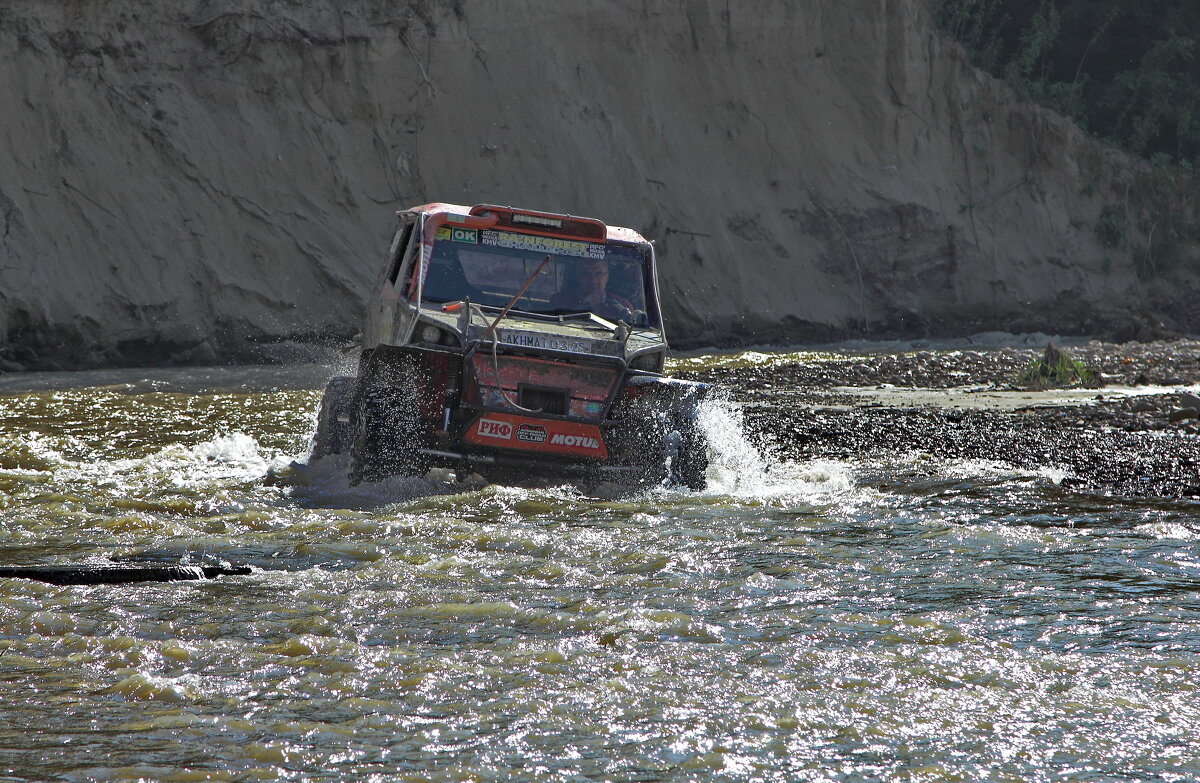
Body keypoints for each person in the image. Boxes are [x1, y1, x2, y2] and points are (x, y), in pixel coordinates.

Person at [549, 258, 634, 322]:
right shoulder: (560, 301)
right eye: (586, 274)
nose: (593, 280)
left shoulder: (622, 307)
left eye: (599, 274)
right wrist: (581, 308)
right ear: (578, 275)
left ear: (607, 276)